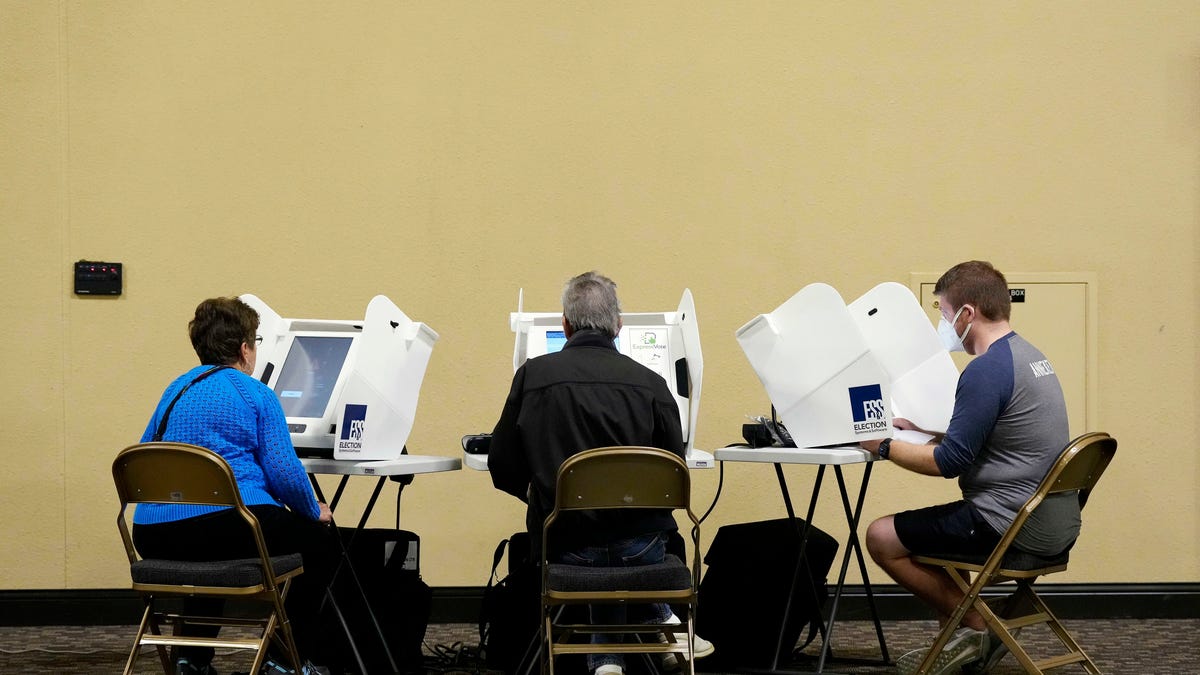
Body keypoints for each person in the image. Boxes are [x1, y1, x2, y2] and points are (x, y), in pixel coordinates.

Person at [489, 271, 713, 675]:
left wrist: (544, 495)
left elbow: (502, 465)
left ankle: (606, 659)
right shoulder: (652, 384)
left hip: (565, 545)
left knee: (588, 540)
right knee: (621, 537)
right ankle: (653, 625)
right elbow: (672, 465)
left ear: (565, 324)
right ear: (619, 326)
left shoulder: (532, 378)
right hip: (644, 549)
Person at [860, 261, 1073, 675]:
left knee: (882, 536)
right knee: (934, 542)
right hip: (1053, 523)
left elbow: (949, 464)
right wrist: (923, 430)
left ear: (967, 314)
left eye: (942, 312)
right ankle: (963, 644)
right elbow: (991, 439)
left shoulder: (986, 371)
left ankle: (977, 625)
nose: (942, 322)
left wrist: (882, 444)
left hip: (1008, 525)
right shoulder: (1029, 357)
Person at [131, 297, 338, 675]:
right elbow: (285, 474)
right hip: (228, 524)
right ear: (245, 348)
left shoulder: (174, 390)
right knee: (321, 545)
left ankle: (191, 661)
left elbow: (146, 454)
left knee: (210, 551)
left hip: (152, 531)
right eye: (254, 343)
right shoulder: (255, 393)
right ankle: (286, 662)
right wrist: (313, 511)